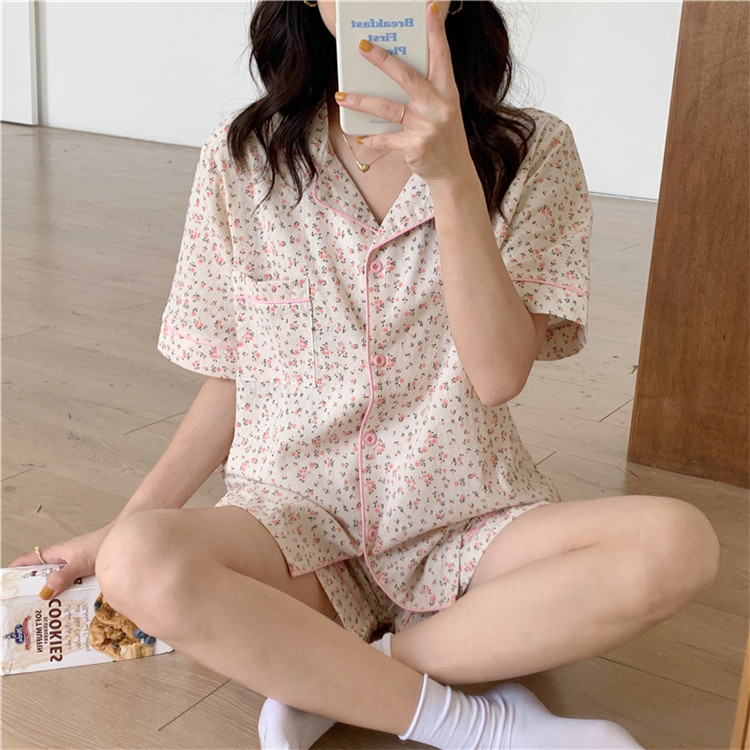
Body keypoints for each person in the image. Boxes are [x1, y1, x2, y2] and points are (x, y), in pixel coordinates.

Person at [11, 1, 720, 748]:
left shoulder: (531, 151)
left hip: (469, 525)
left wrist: (452, 178)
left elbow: (497, 376)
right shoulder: (243, 158)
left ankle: (343, 677)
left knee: (677, 544)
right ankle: (473, 723)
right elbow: (233, 375)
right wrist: (121, 529)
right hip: (292, 526)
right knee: (138, 560)